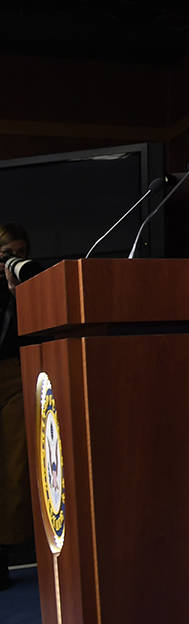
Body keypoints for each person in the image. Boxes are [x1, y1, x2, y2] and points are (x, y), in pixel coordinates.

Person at [0, 224, 34, 590]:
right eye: (5, 253)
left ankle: (4, 556)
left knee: (12, 472)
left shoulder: (28, 283)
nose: (12, 259)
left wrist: (16, 294)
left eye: (18, 251)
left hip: (13, 377)